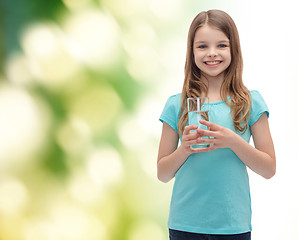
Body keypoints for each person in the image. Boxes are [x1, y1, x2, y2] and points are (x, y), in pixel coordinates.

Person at [157, 9, 276, 240]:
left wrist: (232, 141)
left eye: (221, 45)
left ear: (234, 49)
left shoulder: (250, 103)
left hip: (232, 226)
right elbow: (162, 173)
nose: (212, 53)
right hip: (185, 225)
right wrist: (186, 148)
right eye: (202, 46)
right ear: (191, 51)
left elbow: (269, 169)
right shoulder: (176, 104)